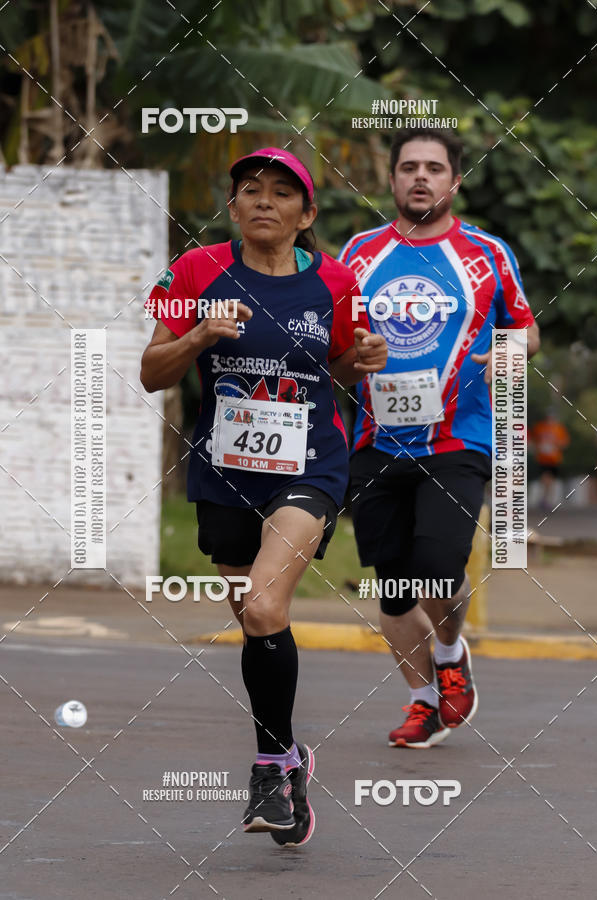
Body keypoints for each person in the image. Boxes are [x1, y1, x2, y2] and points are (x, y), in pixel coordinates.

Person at [140, 147, 387, 842]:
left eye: (282, 192)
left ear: (306, 214)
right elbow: (151, 372)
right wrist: (197, 335)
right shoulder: (195, 271)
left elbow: (339, 366)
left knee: (264, 603)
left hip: (310, 465)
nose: (264, 201)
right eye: (251, 190)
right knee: (254, 619)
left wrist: (362, 359)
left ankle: (271, 769)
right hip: (224, 473)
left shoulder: (336, 281)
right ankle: (289, 755)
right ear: (233, 206)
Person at [339, 127, 540, 748]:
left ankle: (450, 652)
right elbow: (337, 338)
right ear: (392, 180)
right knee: (395, 591)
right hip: (375, 440)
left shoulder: (487, 254)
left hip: (458, 438)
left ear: (455, 180)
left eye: (433, 167)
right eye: (409, 167)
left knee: (436, 568)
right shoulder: (358, 254)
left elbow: (526, 331)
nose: (420, 177)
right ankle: (424, 700)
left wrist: (506, 353)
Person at [530, 411, 569, 509]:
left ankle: (547, 499)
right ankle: (545, 499)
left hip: (554, 459)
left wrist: (555, 445)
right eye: (548, 417)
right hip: (542, 459)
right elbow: (533, 441)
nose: (550, 419)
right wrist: (539, 447)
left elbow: (564, 443)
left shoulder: (559, 428)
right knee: (545, 478)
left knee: (551, 481)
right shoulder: (539, 427)